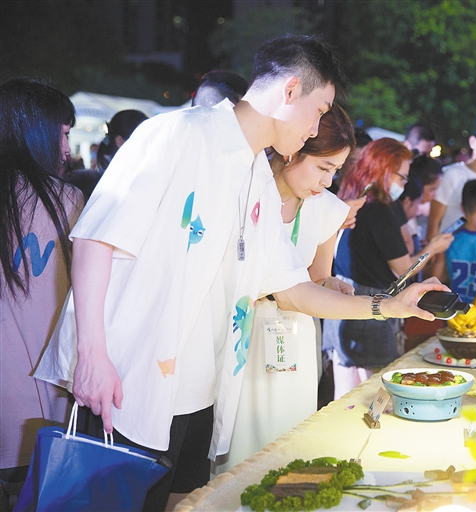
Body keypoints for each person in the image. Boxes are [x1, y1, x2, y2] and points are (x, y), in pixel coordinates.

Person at [34, 35, 447, 511]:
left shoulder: (257, 178)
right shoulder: (177, 134)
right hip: (129, 382)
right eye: (319, 110)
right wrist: (92, 355)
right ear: (290, 90)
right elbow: (95, 238)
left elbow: (292, 288)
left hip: (202, 391)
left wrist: (388, 306)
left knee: (187, 502)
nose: (316, 129)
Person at [214, 103, 356, 474]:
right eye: (323, 168)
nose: (328, 182)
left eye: (335, 171)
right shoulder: (245, 189)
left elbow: (316, 276)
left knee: (288, 442)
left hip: (294, 337)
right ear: (293, 149)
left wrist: (330, 284)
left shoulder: (327, 208)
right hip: (240, 333)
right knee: (237, 446)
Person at [0, 78, 85, 508]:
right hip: (38, 411)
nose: (67, 149)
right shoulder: (66, 202)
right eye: (63, 133)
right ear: (36, 132)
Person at [332, 138, 454, 398]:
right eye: (402, 177)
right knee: (377, 393)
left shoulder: (354, 200)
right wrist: (433, 248)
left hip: (342, 307)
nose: (404, 184)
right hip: (368, 311)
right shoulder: (379, 212)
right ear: (383, 169)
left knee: (346, 394)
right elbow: (404, 269)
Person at [427, 121, 476, 239]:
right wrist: (432, 248)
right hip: (449, 246)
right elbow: (434, 222)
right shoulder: (452, 174)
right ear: (473, 142)